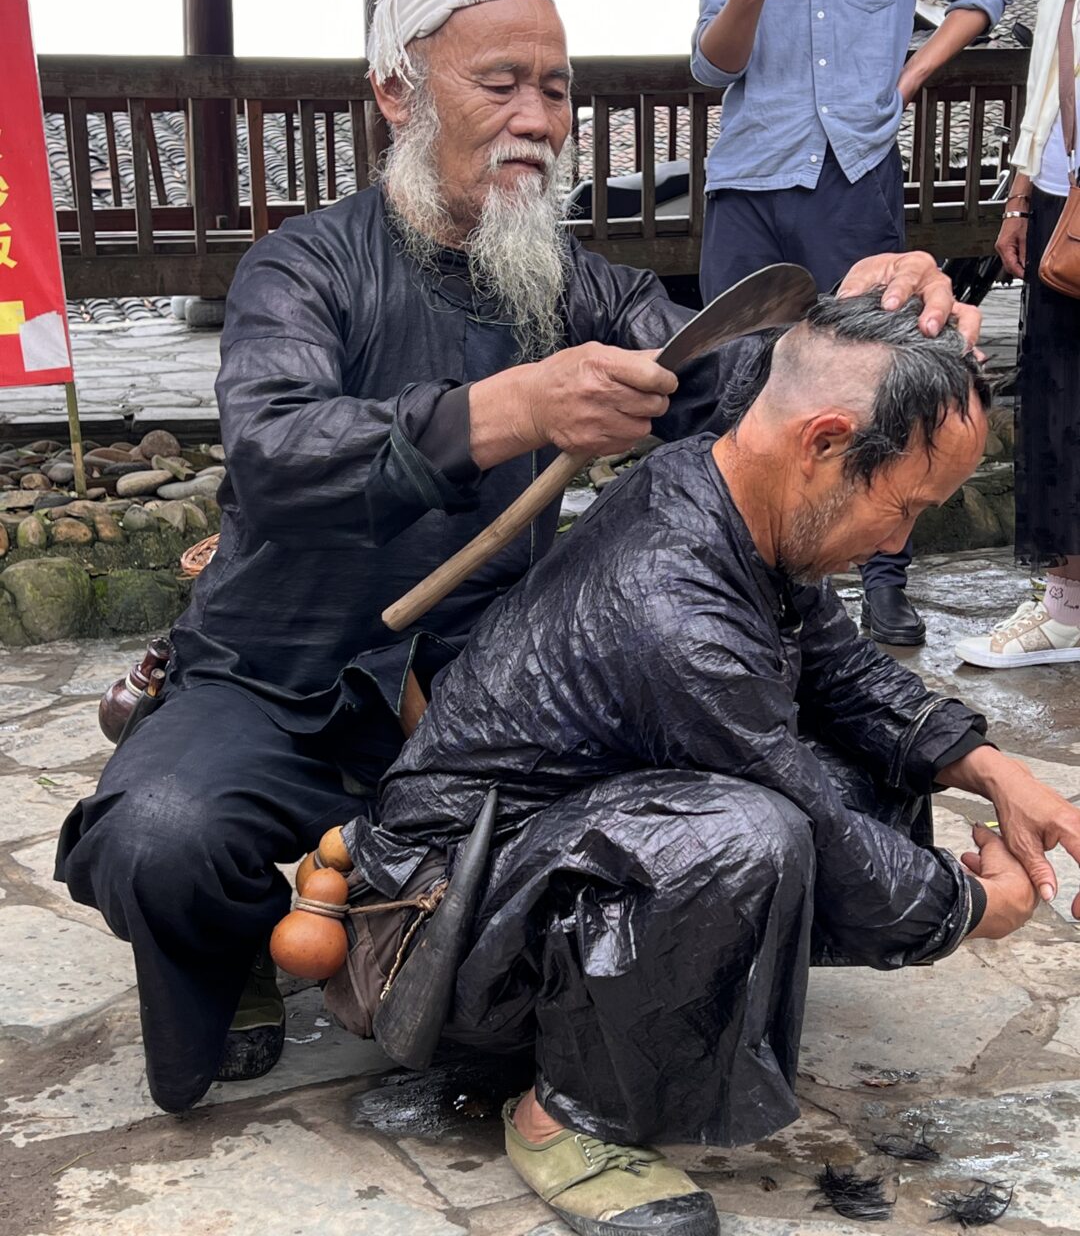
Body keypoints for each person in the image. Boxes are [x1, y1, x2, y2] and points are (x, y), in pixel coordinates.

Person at [54, 0, 974, 1118]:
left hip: (495, 696)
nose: (538, 116)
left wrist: (864, 325)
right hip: (279, 676)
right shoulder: (301, 271)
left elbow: (741, 388)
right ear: (396, 91)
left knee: (818, 767)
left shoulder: (576, 285)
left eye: (557, 87)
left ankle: (546, 1014)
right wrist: (504, 410)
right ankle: (236, 954)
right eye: (500, 83)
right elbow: (277, 455)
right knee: (161, 837)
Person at [342, 295, 1080, 1236]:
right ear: (822, 443)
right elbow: (802, 807)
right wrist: (974, 908)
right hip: (442, 934)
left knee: (874, 764)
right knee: (744, 836)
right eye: (906, 507)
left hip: (536, 864)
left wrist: (991, 770)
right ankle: (569, 1112)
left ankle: (671, 1001)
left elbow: (839, 669)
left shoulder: (725, 489)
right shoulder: (672, 604)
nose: (900, 544)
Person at [691, 0, 1014, 648]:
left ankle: (883, 583)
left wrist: (909, 78)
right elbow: (709, 62)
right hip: (748, 178)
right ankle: (740, 578)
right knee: (737, 380)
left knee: (877, 370)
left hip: (852, 174)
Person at [956, 0, 1080, 668]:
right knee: (1059, 394)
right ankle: (1067, 607)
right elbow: (1049, 88)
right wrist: (1021, 195)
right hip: (1067, 208)